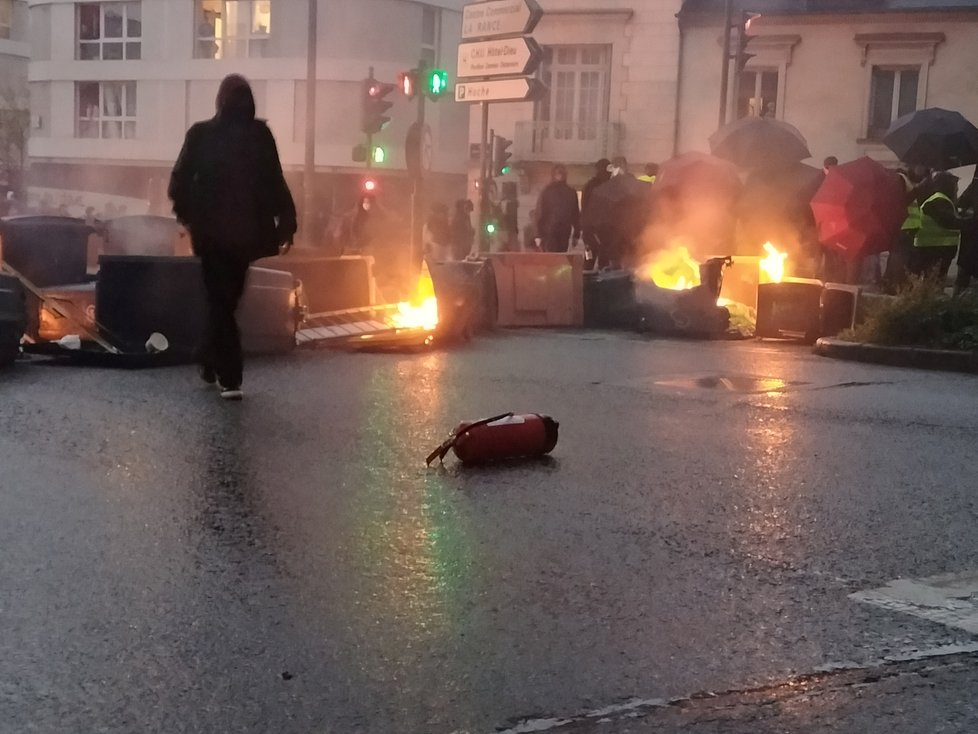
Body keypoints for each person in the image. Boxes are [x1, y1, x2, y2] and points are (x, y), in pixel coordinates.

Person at [169, 73, 296, 400]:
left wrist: (187, 215)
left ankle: (212, 361)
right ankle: (228, 373)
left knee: (219, 301)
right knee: (227, 300)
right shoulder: (260, 135)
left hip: (210, 234)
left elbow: (180, 179)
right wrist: (287, 222)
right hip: (245, 236)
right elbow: (274, 181)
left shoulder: (201, 134)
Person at [909, 170, 964, 281]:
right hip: (932, 250)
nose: (957, 189)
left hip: (937, 249)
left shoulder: (944, 200)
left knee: (934, 281)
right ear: (947, 186)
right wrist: (972, 223)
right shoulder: (938, 200)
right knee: (932, 281)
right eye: (955, 185)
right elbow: (950, 221)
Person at [534, 164, 580, 253]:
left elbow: (575, 214)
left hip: (559, 231)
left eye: (562, 173)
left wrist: (576, 234)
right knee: (554, 257)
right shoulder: (548, 191)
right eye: (559, 173)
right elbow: (539, 213)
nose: (560, 175)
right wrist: (538, 235)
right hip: (551, 231)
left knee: (557, 258)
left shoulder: (568, 192)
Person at [580, 158, 611, 268]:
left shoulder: (590, 185)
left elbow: (584, 209)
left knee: (590, 260)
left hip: (593, 230)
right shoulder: (608, 186)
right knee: (602, 262)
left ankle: (585, 283)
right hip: (600, 230)